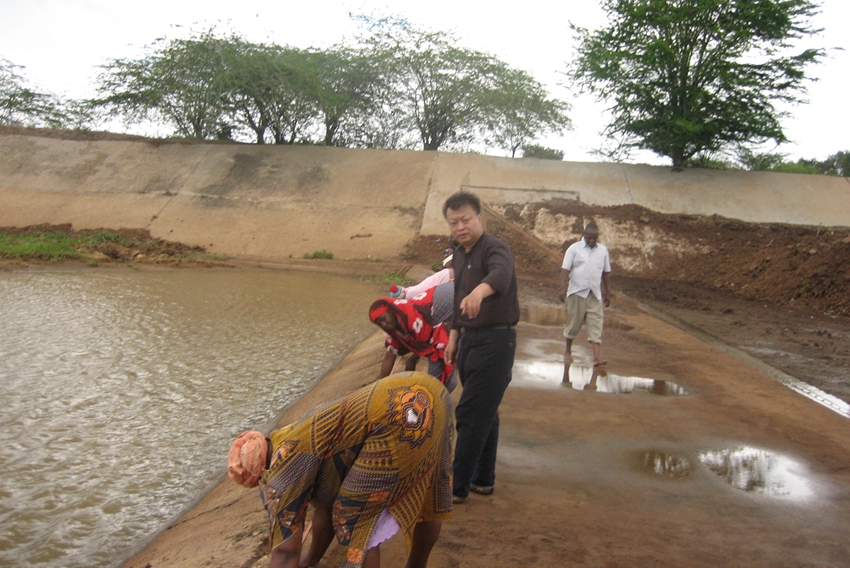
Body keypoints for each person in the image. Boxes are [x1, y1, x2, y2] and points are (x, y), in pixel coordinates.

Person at [227, 372, 454, 568]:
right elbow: (323, 510)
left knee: (353, 515)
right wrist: (312, 558)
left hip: (395, 416)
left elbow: (285, 552)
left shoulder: (280, 473)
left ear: (258, 476)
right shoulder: (288, 435)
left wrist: (296, 557)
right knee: (432, 490)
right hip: (430, 390)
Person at [443, 191, 519, 504]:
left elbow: (500, 274)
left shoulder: (495, 247)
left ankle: (455, 487)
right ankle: (482, 479)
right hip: (470, 341)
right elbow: (457, 296)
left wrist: (479, 292)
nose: (460, 227)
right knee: (486, 411)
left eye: (465, 220)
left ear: (479, 219)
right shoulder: (459, 254)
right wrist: (453, 337)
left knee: (471, 412)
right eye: (453, 222)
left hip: (496, 340)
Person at [370, 283, 457, 392]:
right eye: (379, 323)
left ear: (392, 311)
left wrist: (412, 360)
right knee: (436, 378)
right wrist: (379, 388)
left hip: (449, 299)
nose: (384, 324)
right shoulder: (393, 331)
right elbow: (389, 356)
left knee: (447, 368)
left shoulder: (411, 317)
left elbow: (427, 343)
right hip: (438, 316)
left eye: (384, 318)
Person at [558, 222, 612, 367]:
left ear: (598, 237)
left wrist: (608, 293)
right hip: (577, 293)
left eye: (594, 238)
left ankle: (596, 358)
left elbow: (606, 273)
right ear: (584, 235)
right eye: (589, 238)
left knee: (596, 325)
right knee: (573, 325)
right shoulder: (574, 249)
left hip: (595, 294)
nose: (592, 241)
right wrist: (562, 288)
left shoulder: (603, 251)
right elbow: (565, 270)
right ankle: (568, 352)